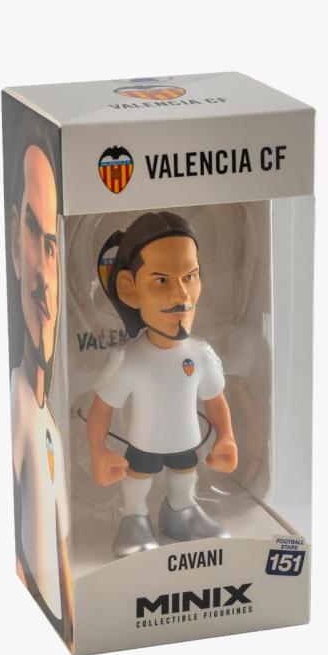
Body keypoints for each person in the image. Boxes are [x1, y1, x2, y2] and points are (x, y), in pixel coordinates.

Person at [86, 212, 238, 557]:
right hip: (144, 443)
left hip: (185, 440)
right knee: (138, 475)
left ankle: (182, 510)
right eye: (161, 280)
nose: (181, 294)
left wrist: (227, 437)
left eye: (189, 277)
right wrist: (98, 452)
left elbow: (215, 400)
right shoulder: (129, 359)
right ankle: (134, 517)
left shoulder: (201, 354)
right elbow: (101, 410)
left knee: (185, 469)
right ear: (130, 288)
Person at [6, 112, 73, 640]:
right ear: (12, 238)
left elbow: (65, 551)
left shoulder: (51, 425)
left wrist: (73, 631)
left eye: (52, 245)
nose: (43, 278)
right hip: (29, 623)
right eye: (32, 230)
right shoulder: (16, 401)